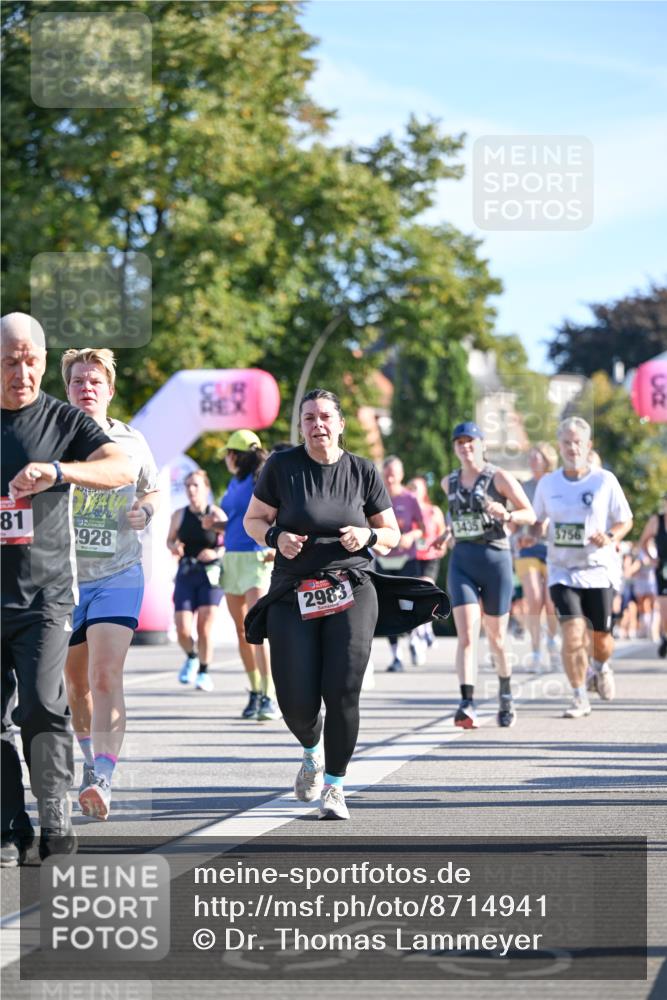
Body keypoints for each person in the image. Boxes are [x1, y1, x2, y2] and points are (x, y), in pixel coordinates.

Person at [1, 313, 132, 866]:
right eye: (11, 362)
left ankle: (53, 811)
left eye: (31, 361)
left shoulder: (61, 420)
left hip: (45, 597)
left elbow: (121, 466)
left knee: (40, 704)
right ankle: (9, 826)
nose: (22, 373)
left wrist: (59, 472)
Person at [243, 388, 400, 820]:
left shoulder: (363, 471)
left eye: (326, 417)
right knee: (295, 700)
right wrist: (276, 537)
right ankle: (311, 752)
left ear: (341, 424)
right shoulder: (282, 467)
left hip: (352, 588)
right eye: (309, 418)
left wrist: (367, 535)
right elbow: (252, 520)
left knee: (343, 689)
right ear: (301, 426)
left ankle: (335, 786)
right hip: (294, 591)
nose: (318, 425)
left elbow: (392, 534)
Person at [61, 349, 160, 821]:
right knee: (75, 683)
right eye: (78, 380)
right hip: (62, 579)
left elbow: (151, 488)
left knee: (105, 675)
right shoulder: (51, 436)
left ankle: (103, 776)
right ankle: (88, 758)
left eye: (95, 381)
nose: (87, 387)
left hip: (118, 574)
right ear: (67, 389)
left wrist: (146, 509)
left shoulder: (131, 441)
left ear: (110, 390)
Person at [437, 421, 536, 729]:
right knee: (467, 634)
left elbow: (530, 513)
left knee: (496, 638)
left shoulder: (499, 477)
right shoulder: (448, 482)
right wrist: (447, 533)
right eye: (460, 442)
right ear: (455, 448)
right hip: (462, 562)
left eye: (471, 441)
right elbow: (457, 516)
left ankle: (505, 694)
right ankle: (466, 703)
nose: (465, 447)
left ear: (482, 445)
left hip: (495, 561)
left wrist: (508, 514)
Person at [532, 417, 633, 718]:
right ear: (559, 445)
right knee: (573, 632)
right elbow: (537, 521)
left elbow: (625, 520)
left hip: (598, 569)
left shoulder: (604, 480)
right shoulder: (548, 484)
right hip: (562, 570)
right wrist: (533, 533)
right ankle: (579, 697)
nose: (572, 448)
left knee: (602, 639)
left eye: (577, 442)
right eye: (566, 442)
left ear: (588, 445)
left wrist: (610, 536)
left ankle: (601, 667)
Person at [209, 430, 279, 721]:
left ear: (235, 454)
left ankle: (270, 695)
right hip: (232, 559)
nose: (225, 459)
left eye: (227, 453)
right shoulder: (234, 482)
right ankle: (255, 690)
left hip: (256, 558)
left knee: (258, 629)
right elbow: (236, 522)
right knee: (242, 631)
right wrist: (215, 525)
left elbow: (278, 513)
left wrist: (274, 545)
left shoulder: (260, 479)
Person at [167, 470, 225, 691]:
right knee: (182, 628)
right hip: (186, 573)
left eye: (196, 485)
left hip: (210, 576)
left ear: (206, 488)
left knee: (204, 627)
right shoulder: (179, 515)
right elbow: (169, 540)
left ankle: (203, 672)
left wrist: (215, 553)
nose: (191, 490)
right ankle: (192, 656)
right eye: (188, 485)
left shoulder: (216, 513)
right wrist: (175, 546)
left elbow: (230, 542)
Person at [513, 443, 561, 673]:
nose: (532, 461)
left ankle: (551, 641)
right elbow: (516, 517)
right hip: (527, 549)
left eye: (537, 457)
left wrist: (544, 526)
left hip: (552, 548)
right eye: (530, 457)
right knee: (534, 599)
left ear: (547, 459)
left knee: (551, 603)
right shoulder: (524, 487)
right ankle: (535, 652)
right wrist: (516, 535)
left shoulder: (557, 484)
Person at [377, 457, 425, 671]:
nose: (389, 479)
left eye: (393, 474)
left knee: (408, 605)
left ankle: (415, 637)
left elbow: (422, 528)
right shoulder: (376, 497)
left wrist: (410, 536)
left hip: (407, 559)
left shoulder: (410, 498)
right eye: (386, 474)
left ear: (401, 475)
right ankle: (396, 656)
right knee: (388, 609)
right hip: (384, 560)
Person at [407, 475, 446, 651]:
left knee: (427, 589)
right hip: (412, 557)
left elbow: (442, 534)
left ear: (424, 490)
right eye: (410, 488)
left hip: (430, 557)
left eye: (416, 488)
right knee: (416, 595)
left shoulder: (433, 511)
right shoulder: (407, 511)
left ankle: (426, 628)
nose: (413, 491)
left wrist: (441, 547)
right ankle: (422, 630)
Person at [638, 493, 667, 657]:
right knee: (664, 609)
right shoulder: (656, 521)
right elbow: (643, 542)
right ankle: (665, 636)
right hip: (663, 570)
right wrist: (652, 559)